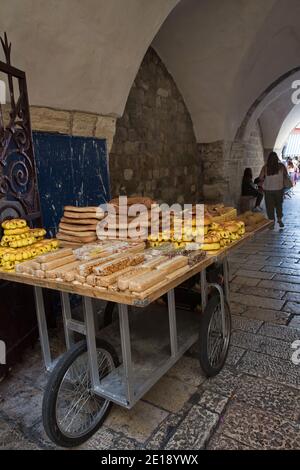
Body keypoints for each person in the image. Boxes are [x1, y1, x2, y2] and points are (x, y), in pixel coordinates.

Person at [259, 151, 289, 228]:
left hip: (268, 190)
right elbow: (286, 175)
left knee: (269, 207)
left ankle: (272, 223)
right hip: (279, 189)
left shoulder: (265, 167)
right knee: (279, 205)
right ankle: (279, 219)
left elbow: (261, 177)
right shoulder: (281, 166)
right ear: (277, 158)